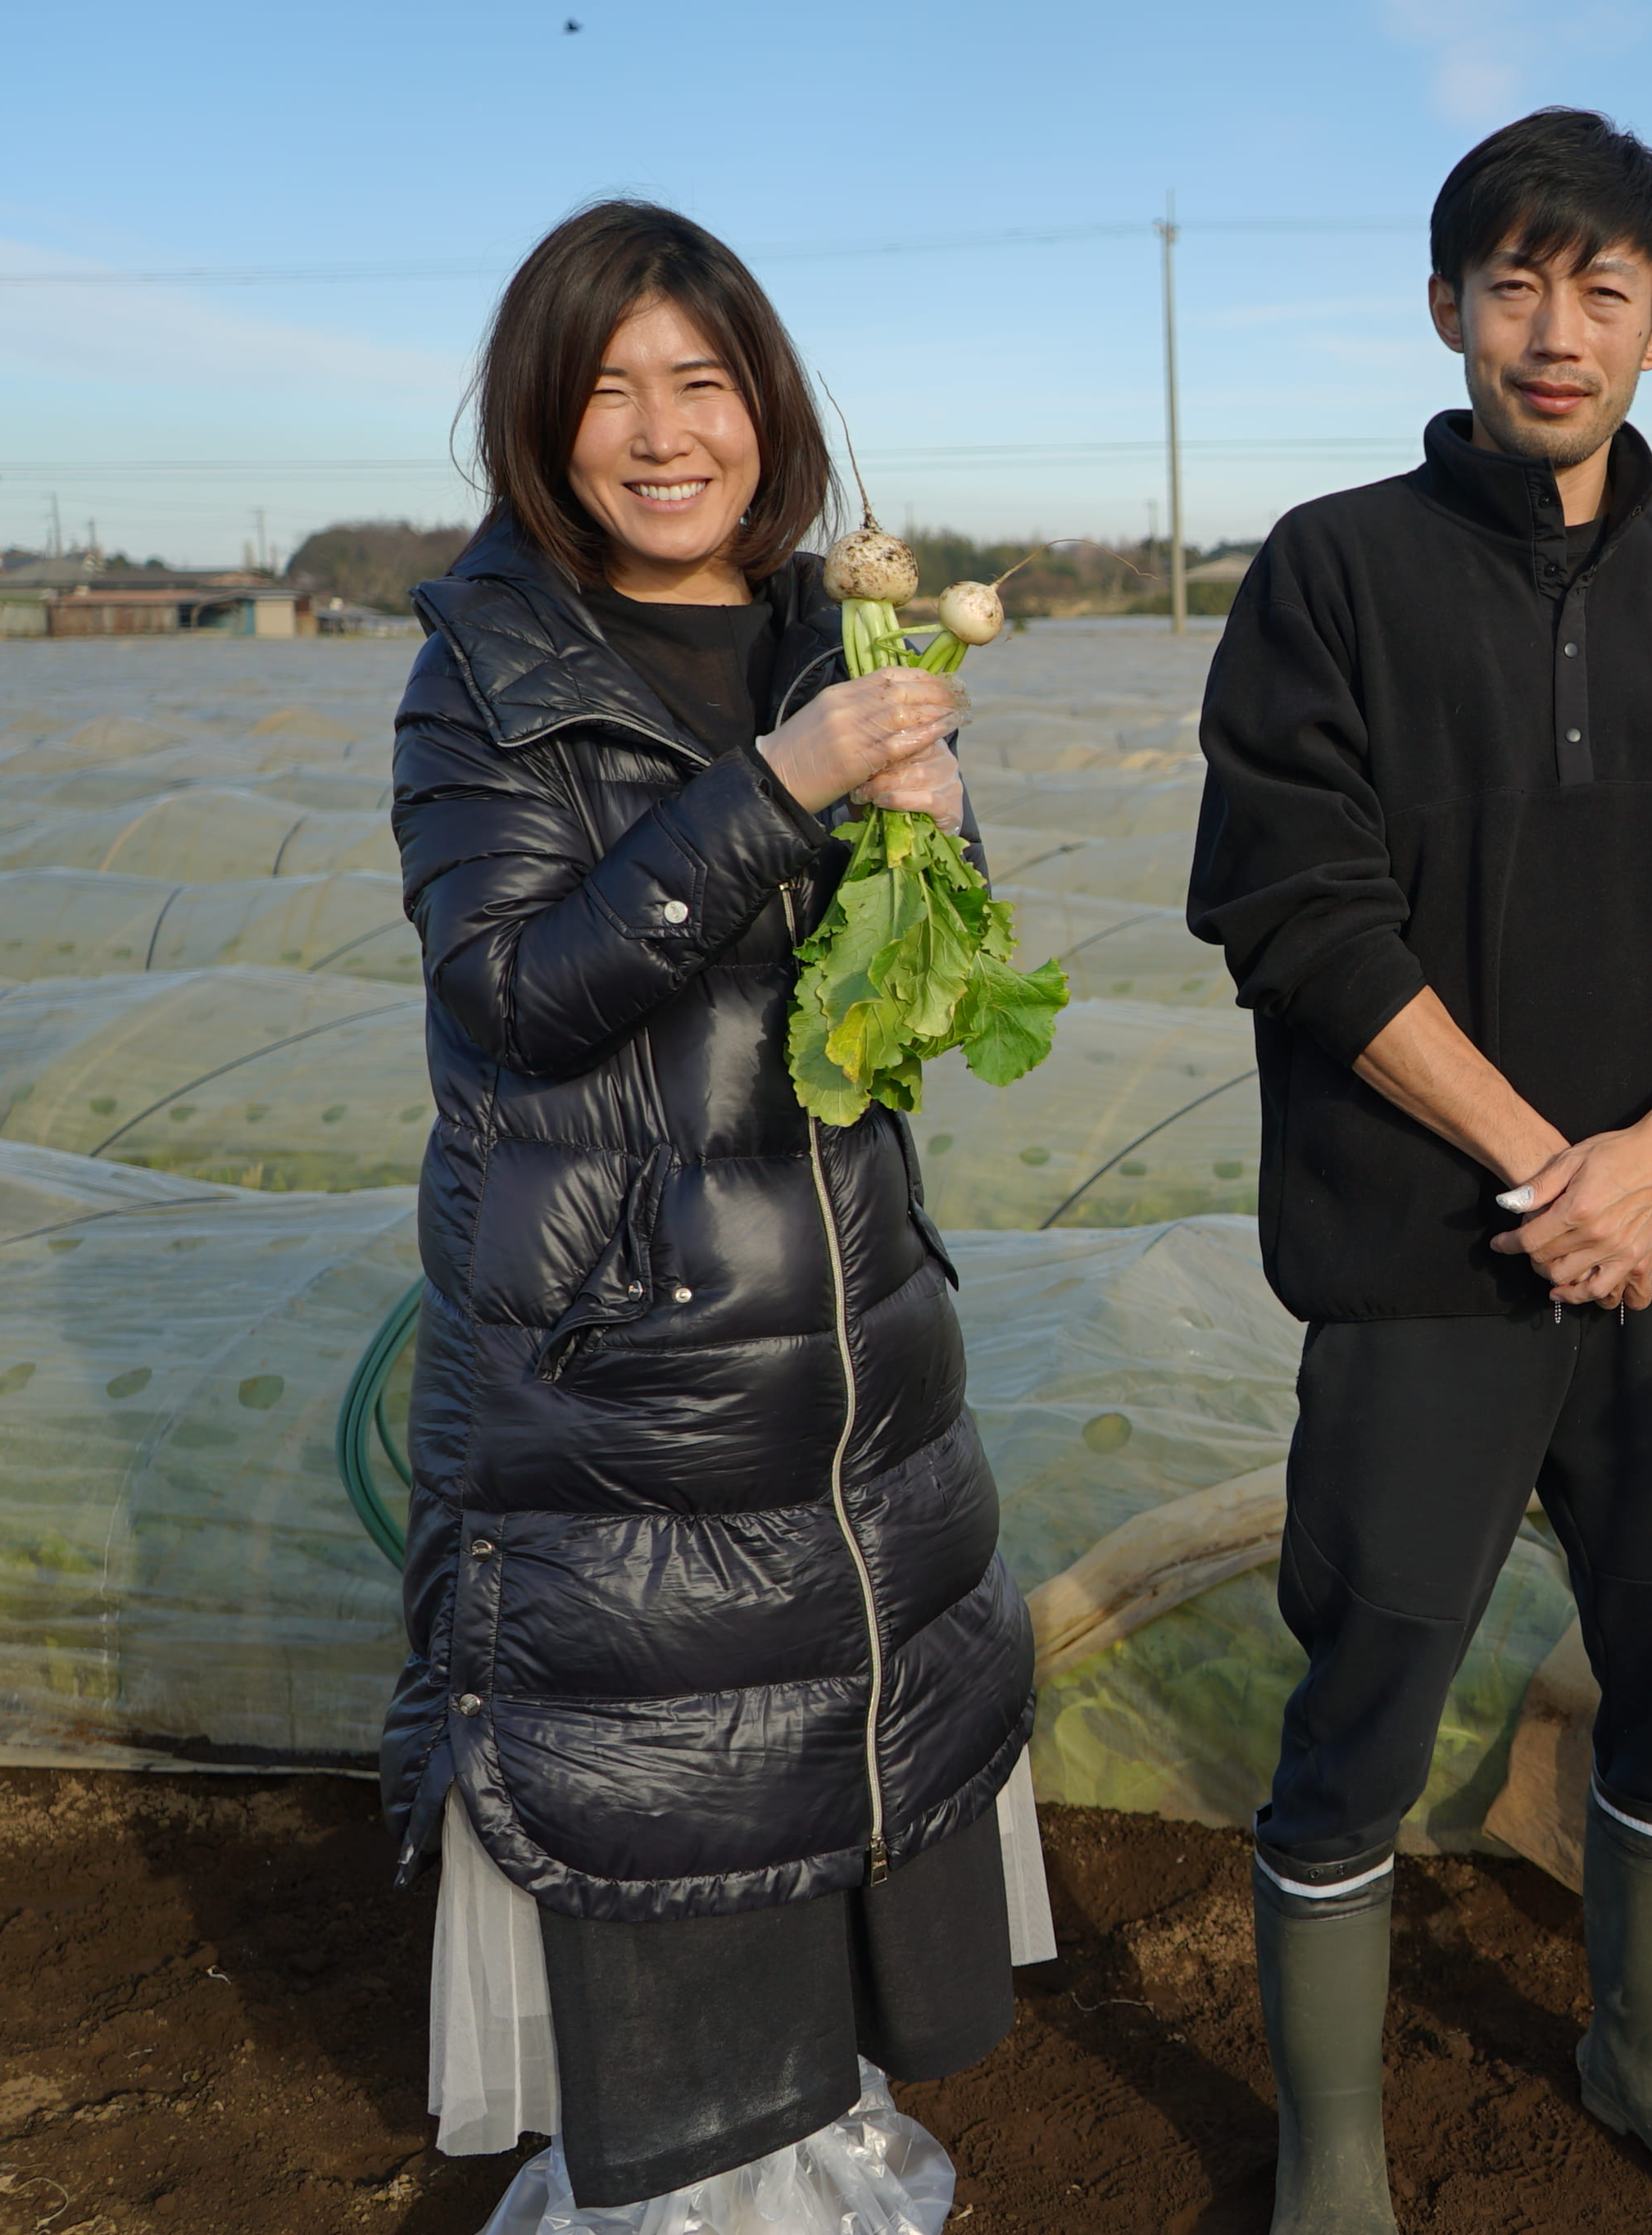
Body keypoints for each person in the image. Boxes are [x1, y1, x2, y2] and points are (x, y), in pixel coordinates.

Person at [1187, 109, 1652, 2235]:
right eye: (1512, 283)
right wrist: (1543, 1167)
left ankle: (1648, 2059)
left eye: (1600, 291)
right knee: (1367, 1688)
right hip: (1419, 1271)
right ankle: (1338, 2141)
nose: (1553, 331)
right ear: (1451, 305)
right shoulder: (1332, 574)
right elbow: (1299, 910)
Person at [384, 201, 1037, 2222]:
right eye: (609, 393)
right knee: (671, 1811)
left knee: (839, 1784)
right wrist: (775, 785)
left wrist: (935, 834)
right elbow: (513, 997)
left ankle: (809, 2148)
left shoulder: (829, 636)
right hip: (632, 1370)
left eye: (703, 383)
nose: (665, 434)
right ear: (540, 427)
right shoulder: (480, 681)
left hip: (844, 1344)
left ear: (767, 408)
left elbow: (901, 1014)